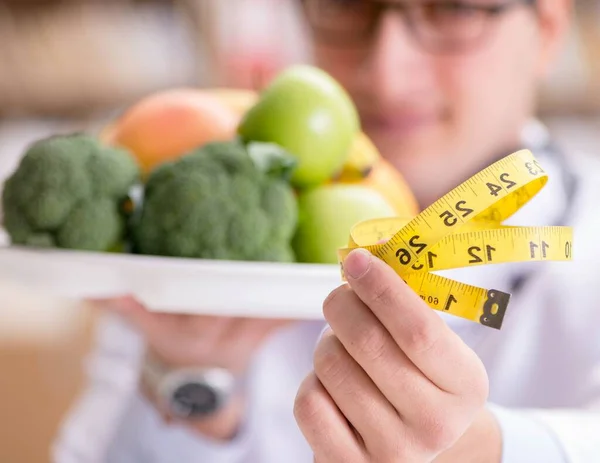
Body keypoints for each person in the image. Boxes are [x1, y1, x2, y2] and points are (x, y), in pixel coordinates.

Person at [51, 0, 600, 461]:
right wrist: (193, 386)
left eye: (451, 9)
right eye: (346, 3)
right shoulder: (209, 239)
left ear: (549, 30)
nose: (387, 70)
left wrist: (489, 450)